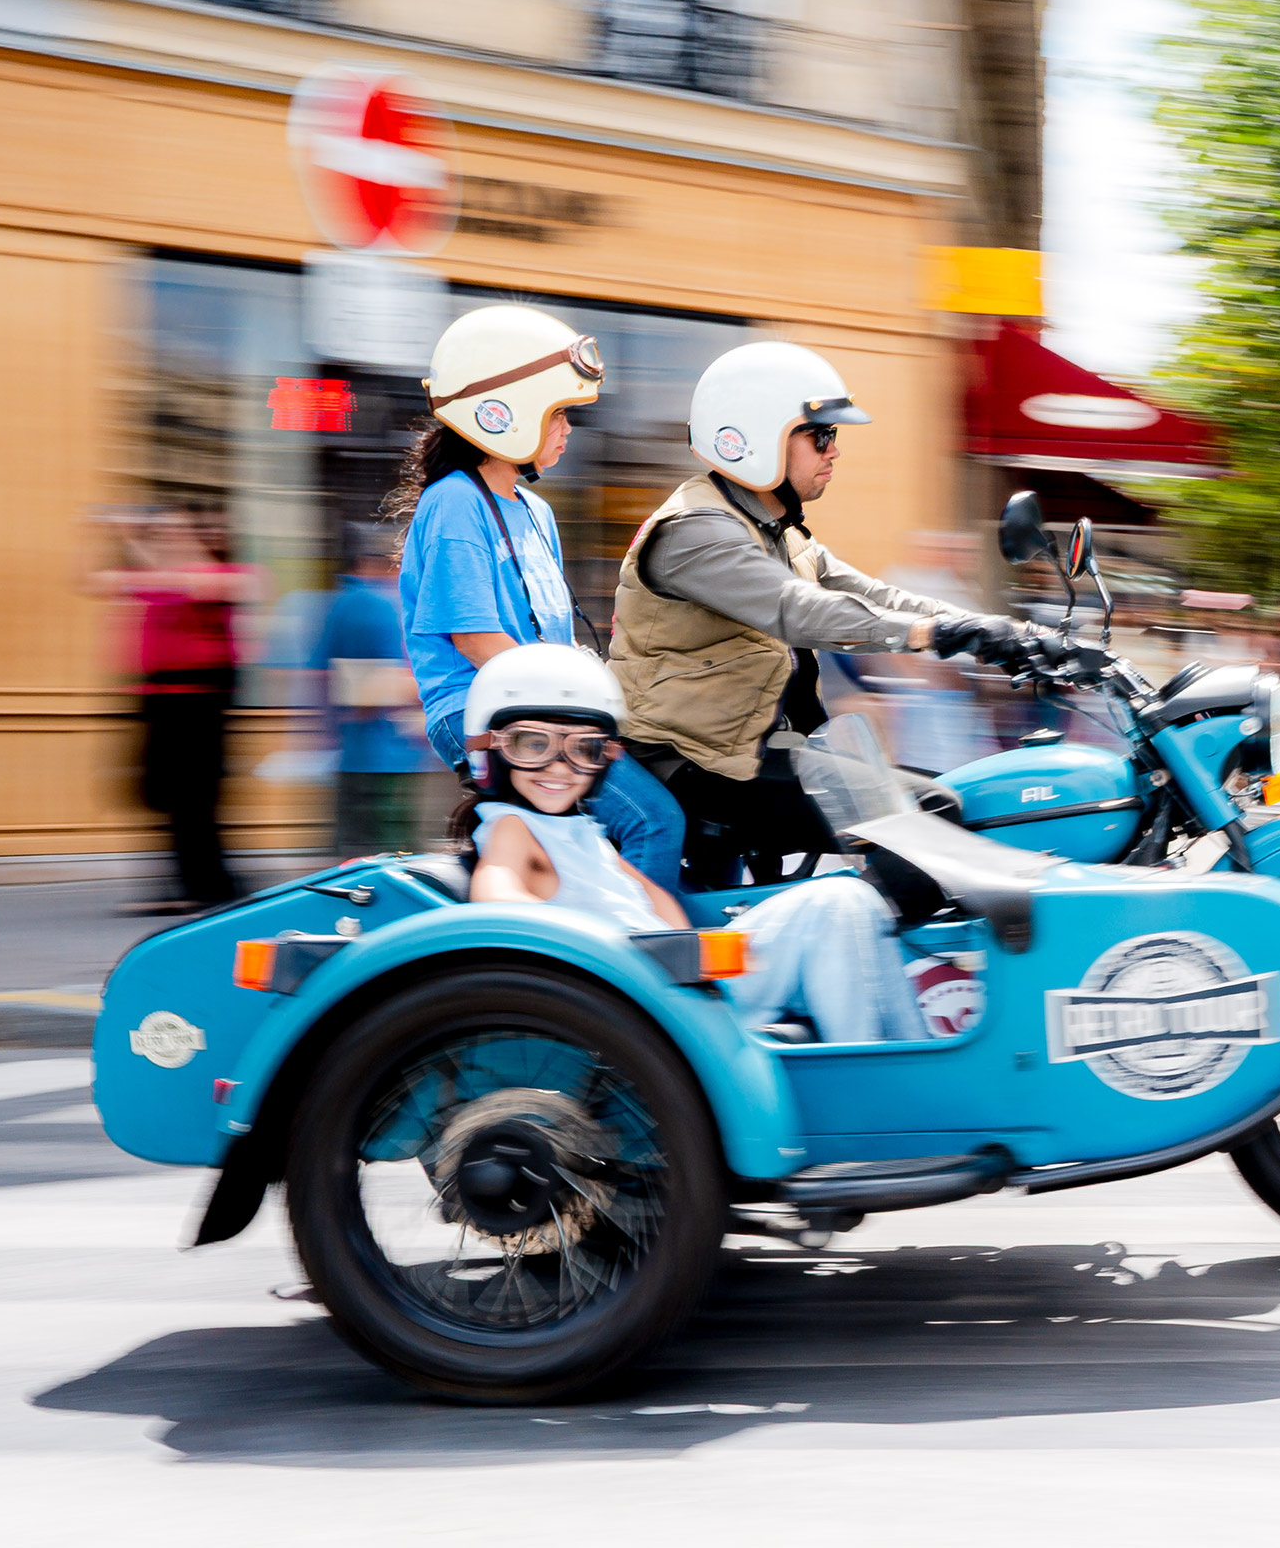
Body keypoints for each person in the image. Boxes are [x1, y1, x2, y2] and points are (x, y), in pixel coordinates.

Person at [609, 340, 1025, 887]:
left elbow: (880, 596)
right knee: (925, 813)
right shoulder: (696, 531)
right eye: (821, 435)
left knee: (963, 798)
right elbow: (798, 609)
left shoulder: (775, 531)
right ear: (756, 438)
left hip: (756, 747)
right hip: (694, 762)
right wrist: (932, 633)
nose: (834, 451)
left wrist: (1002, 631)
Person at [462, 645, 927, 1043]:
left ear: (606, 757)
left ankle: (908, 1058)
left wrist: (684, 948)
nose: (560, 767)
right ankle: (875, 1075)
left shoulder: (579, 828)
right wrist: (613, 949)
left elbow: (654, 900)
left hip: (670, 977)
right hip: (641, 994)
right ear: (492, 748)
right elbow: (496, 897)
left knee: (855, 901)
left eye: (583, 749)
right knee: (837, 903)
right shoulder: (513, 828)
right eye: (532, 745)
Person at [386, 304, 686, 895]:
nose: (568, 431)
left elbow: (548, 639)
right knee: (653, 822)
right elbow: (475, 639)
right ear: (508, 414)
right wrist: (579, 708)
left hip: (544, 713)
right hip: (480, 713)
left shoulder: (536, 511)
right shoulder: (455, 502)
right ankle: (636, 965)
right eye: (558, 415)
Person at [90, 505, 259, 914]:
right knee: (158, 794)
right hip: (159, 701)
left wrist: (170, 535)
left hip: (199, 703)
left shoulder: (226, 576)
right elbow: (93, 582)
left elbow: (195, 582)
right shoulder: (159, 581)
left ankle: (208, 886)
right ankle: (188, 883)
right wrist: (111, 534)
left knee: (194, 800)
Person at [312, 523, 446, 856]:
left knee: (356, 845)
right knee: (391, 847)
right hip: (389, 751)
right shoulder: (380, 605)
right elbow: (387, 683)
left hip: (358, 751)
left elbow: (322, 673)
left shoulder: (342, 602)